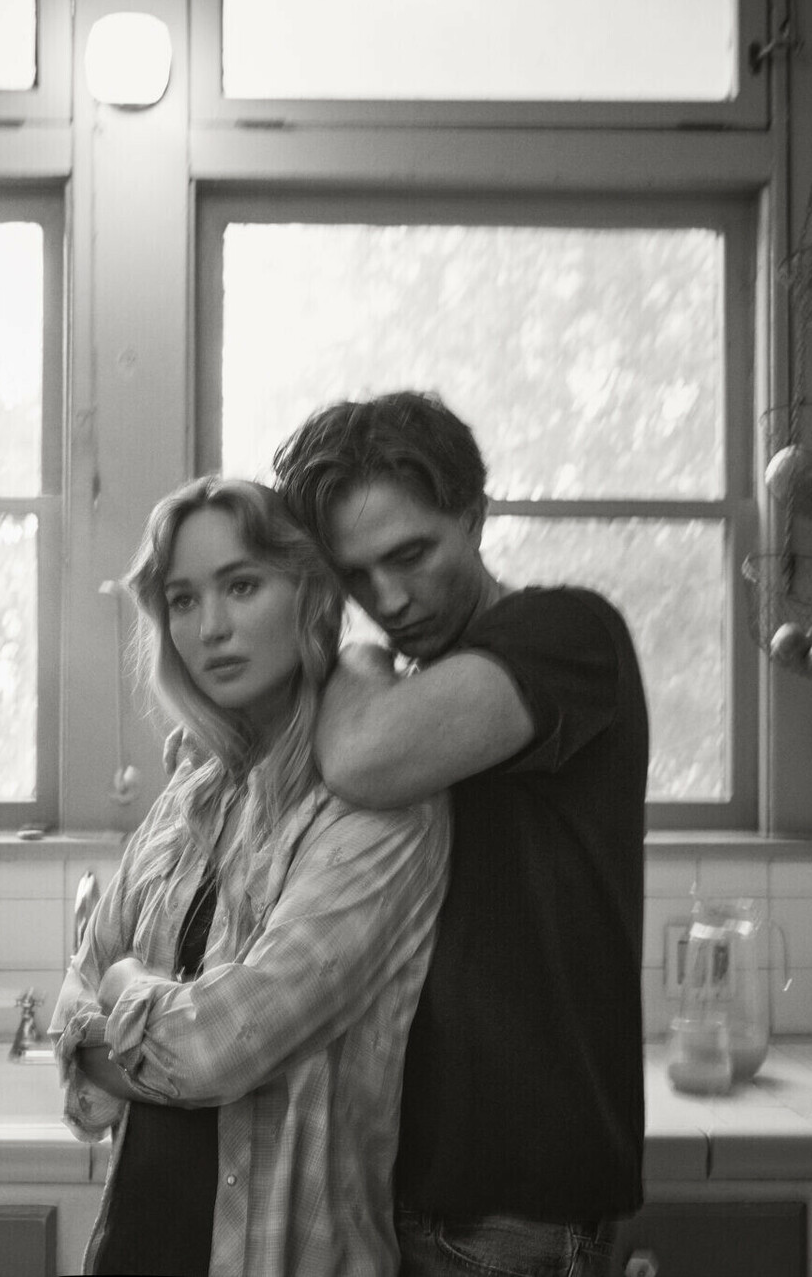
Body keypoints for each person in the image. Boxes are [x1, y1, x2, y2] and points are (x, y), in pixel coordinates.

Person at [273, 391, 650, 1277]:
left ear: (475, 516)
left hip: (513, 1206)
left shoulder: (566, 634)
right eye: (356, 575)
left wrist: (359, 654)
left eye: (412, 555)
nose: (389, 598)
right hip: (409, 1190)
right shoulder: (412, 686)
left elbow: (365, 756)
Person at [51, 475, 451, 1277]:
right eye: (183, 600)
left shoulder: (378, 806)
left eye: (241, 586)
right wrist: (124, 1020)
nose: (211, 628)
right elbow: (72, 1004)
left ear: (308, 594)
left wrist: (122, 988)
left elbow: (219, 1048)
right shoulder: (190, 793)